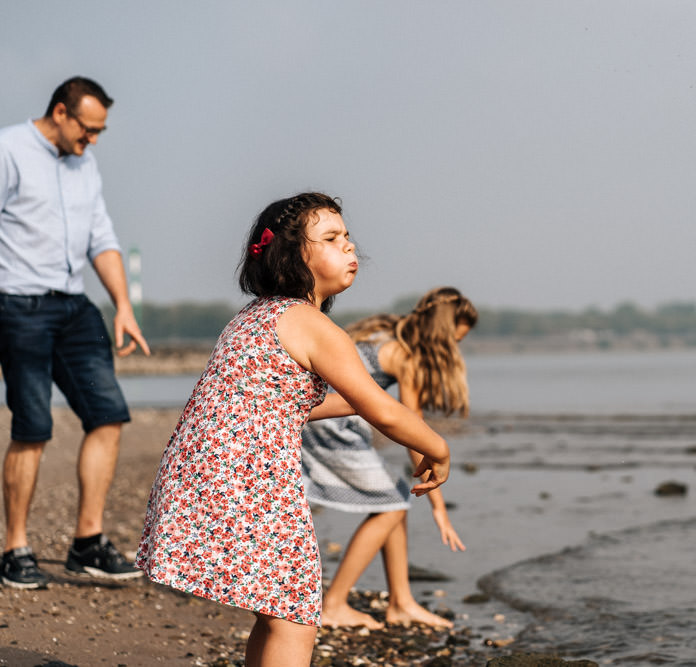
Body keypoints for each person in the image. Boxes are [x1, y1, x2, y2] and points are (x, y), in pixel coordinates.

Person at [135, 192, 452, 666]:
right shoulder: (310, 324)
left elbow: (292, 403)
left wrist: (364, 405)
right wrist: (439, 448)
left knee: (275, 611)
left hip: (204, 475)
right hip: (249, 483)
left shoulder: (252, 317)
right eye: (330, 238)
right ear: (291, 256)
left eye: (347, 236)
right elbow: (383, 411)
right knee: (295, 616)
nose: (349, 247)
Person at [0, 76, 150, 589]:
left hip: (74, 308)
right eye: (88, 129)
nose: (93, 140)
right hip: (18, 304)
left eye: (100, 131)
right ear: (61, 113)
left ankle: (87, 542)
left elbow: (101, 238)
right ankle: (13, 547)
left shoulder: (85, 163)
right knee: (33, 427)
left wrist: (123, 305)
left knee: (107, 415)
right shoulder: (9, 150)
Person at [301, 286, 477, 629]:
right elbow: (414, 431)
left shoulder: (383, 329)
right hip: (333, 423)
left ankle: (401, 601)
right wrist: (438, 507)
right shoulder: (404, 355)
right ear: (440, 335)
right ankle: (334, 605)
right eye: (454, 341)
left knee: (394, 500)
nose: (455, 349)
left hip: (320, 411)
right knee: (393, 505)